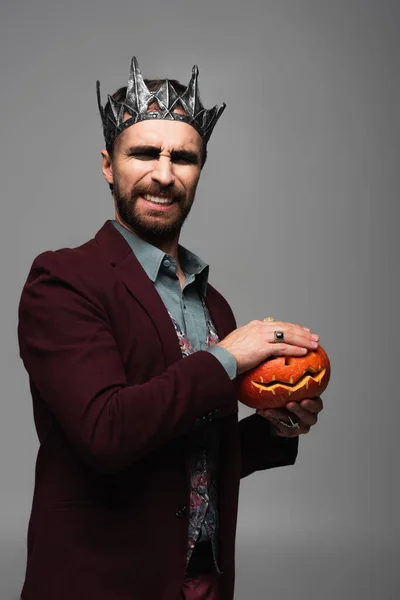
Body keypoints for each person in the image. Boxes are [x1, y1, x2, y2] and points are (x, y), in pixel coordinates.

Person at [17, 56, 323, 600]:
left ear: (200, 169)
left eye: (183, 158)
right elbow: (106, 433)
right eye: (144, 153)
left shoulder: (215, 306)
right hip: (99, 582)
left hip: (199, 582)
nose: (164, 174)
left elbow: (194, 460)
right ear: (109, 165)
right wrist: (228, 359)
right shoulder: (63, 281)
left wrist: (278, 427)